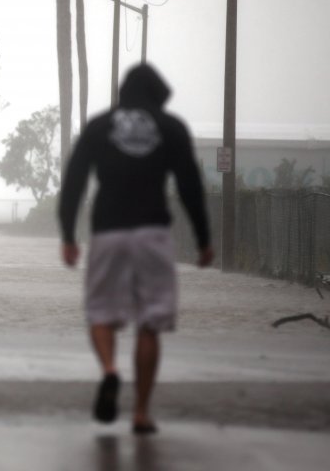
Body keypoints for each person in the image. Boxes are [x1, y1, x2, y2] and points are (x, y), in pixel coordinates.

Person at [58, 63, 213, 435]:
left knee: (100, 312)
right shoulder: (171, 127)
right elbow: (190, 183)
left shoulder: (99, 126)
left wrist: (67, 235)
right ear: (158, 94)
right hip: (152, 232)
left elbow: (75, 180)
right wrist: (204, 238)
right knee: (150, 322)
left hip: (108, 231)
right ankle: (141, 413)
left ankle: (110, 371)